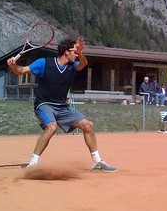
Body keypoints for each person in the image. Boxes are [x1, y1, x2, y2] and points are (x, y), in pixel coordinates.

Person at [7, 37, 117, 172]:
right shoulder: (44, 63)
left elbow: (84, 63)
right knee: (51, 127)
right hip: (44, 104)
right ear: (66, 52)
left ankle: (97, 162)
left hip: (62, 107)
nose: (76, 56)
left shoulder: (73, 66)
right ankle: (33, 163)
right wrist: (13, 65)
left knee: (88, 125)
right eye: (74, 53)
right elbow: (21, 70)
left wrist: (80, 52)